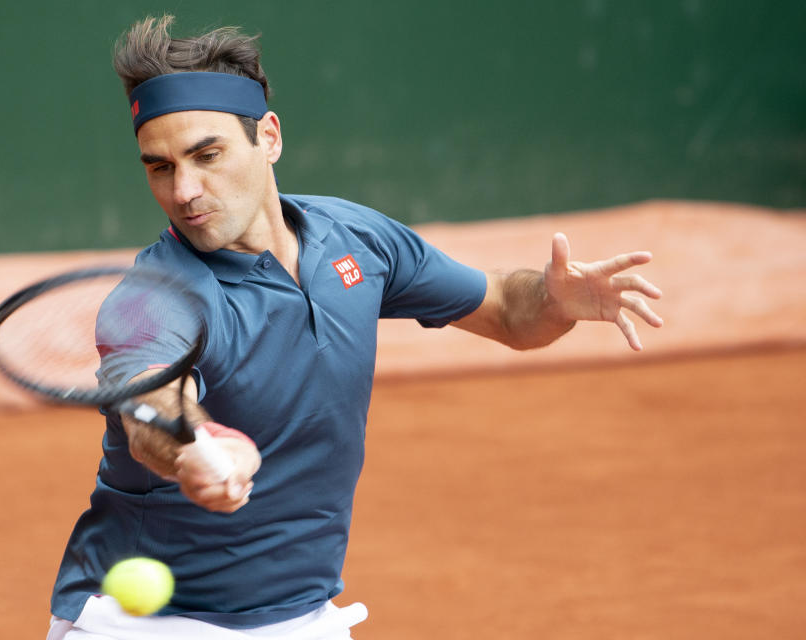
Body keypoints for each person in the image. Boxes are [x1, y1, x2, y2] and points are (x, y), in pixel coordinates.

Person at [47, 14, 663, 640]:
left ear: (269, 138)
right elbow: (151, 402)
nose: (184, 190)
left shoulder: (356, 241)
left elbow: (507, 308)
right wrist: (194, 448)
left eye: (208, 155)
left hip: (302, 617)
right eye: (159, 167)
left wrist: (556, 299)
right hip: (144, 624)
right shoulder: (154, 298)